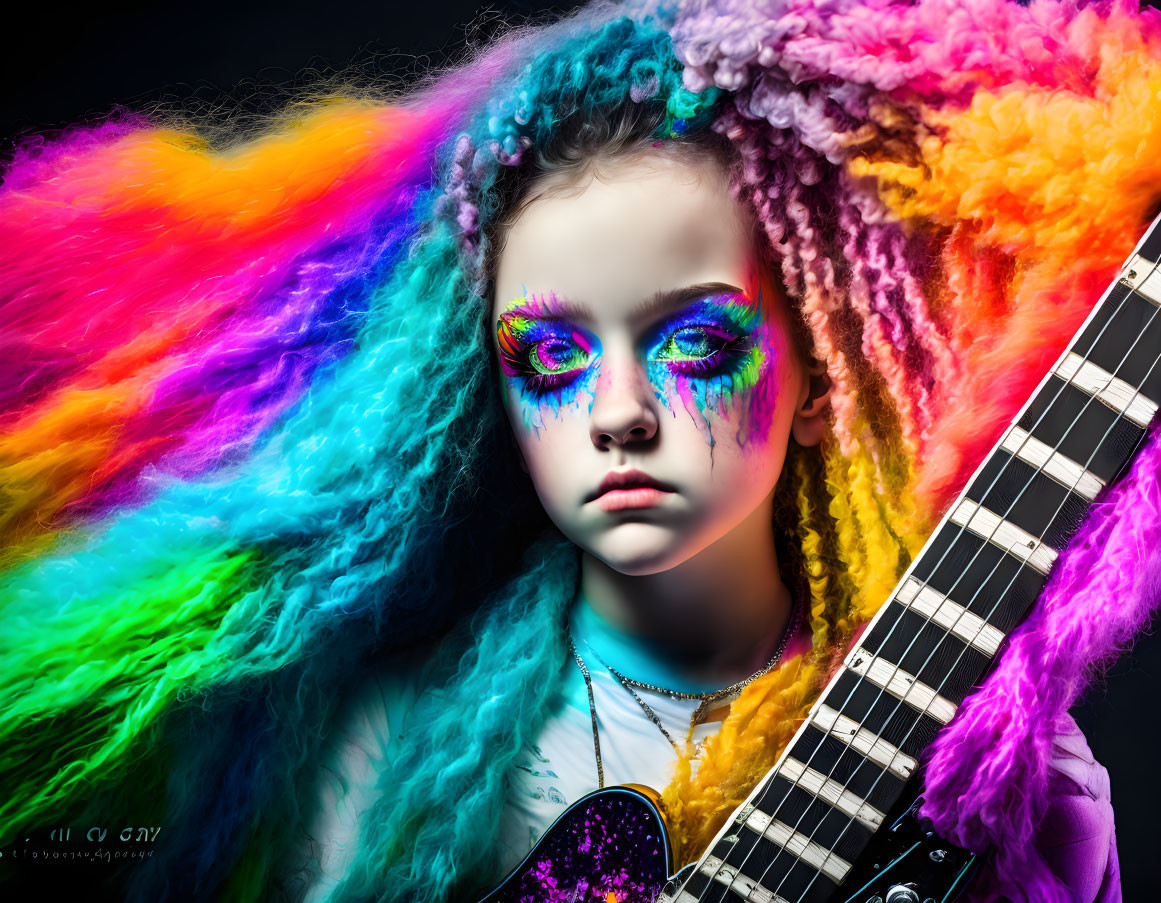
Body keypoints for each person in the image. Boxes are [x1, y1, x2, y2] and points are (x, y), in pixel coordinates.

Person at [2, 2, 1158, 902]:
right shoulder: (376, 758)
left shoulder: (1011, 779)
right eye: (550, 358)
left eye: (696, 340)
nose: (618, 413)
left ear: (819, 376)